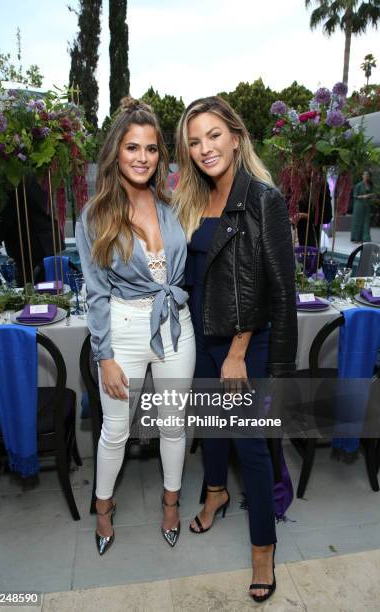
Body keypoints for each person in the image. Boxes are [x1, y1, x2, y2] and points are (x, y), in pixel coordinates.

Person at [174, 96, 297, 603]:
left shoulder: (261, 198)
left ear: (237, 136)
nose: (205, 148)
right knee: (210, 425)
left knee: (251, 444)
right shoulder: (196, 196)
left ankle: (263, 548)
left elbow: (272, 286)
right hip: (202, 335)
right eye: (195, 141)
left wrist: (238, 351)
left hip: (243, 344)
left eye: (214, 135)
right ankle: (216, 493)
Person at [76, 98, 195, 555]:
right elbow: (96, 292)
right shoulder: (97, 214)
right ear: (116, 153)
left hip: (174, 326)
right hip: (123, 329)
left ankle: (170, 503)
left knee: (172, 424)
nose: (142, 157)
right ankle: (103, 508)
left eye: (150, 148)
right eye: (132, 147)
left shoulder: (172, 206)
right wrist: (104, 356)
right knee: (115, 430)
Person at [0, 175, 64, 286]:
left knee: (28, 289)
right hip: (49, 239)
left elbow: (5, 213)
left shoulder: (11, 174)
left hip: (27, 244)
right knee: (52, 286)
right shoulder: (40, 171)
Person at [351, 170, 375, 243]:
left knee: (366, 221)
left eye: (367, 175)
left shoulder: (370, 185)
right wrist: (364, 196)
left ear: (369, 176)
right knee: (358, 221)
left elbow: (372, 194)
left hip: (367, 205)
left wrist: (371, 196)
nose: (366, 176)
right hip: (359, 205)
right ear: (362, 176)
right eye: (364, 174)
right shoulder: (358, 185)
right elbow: (354, 195)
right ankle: (356, 238)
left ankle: (365, 238)